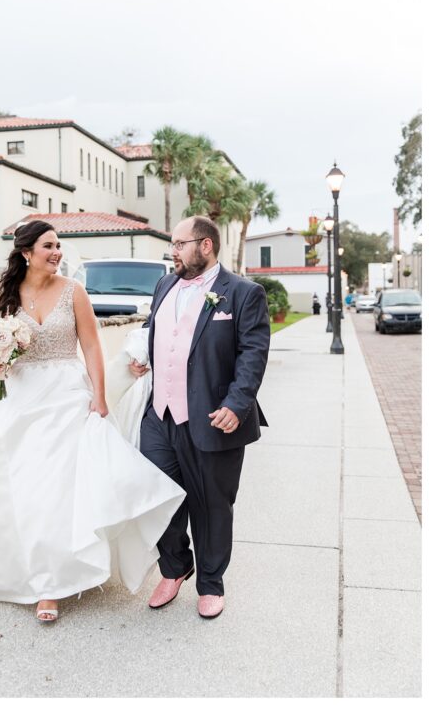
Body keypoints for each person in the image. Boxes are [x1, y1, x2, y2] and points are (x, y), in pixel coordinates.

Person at [0, 220, 185, 623]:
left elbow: (93, 347)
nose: (57, 252)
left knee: (58, 490)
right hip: (21, 400)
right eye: (49, 246)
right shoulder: (7, 295)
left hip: (67, 397)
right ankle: (18, 569)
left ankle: (50, 586)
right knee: (23, 490)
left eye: (59, 245)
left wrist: (99, 397)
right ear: (27, 253)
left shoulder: (74, 292)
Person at [130, 216, 269, 619]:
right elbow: (153, 328)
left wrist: (236, 404)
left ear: (205, 246)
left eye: (178, 244)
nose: (172, 251)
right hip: (159, 415)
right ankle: (175, 567)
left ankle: (211, 583)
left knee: (212, 505)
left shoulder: (243, 293)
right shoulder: (163, 285)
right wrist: (142, 357)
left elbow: (252, 354)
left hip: (212, 416)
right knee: (158, 498)